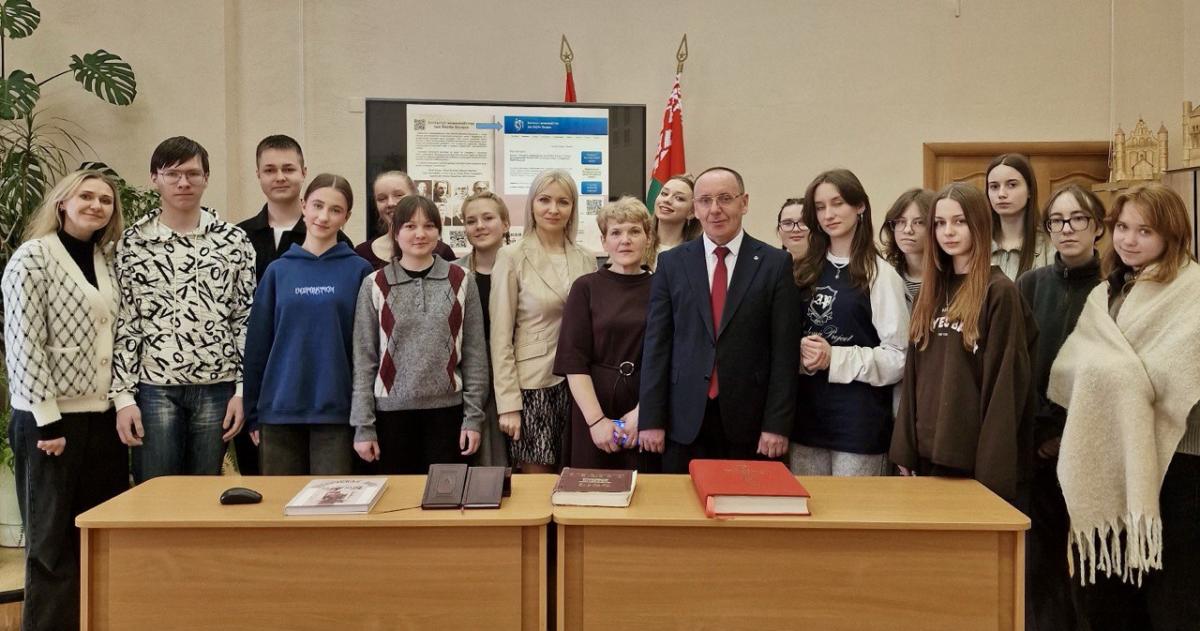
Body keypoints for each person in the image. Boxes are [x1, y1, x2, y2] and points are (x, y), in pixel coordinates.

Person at [1049, 183, 1200, 630]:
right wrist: (1119, 379)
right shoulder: (1107, 294)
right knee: (1109, 598)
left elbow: (1173, 372)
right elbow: (1072, 370)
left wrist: (1122, 378)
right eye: (1122, 228)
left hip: (1180, 464)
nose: (1128, 240)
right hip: (1108, 459)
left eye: (1144, 231)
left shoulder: (1192, 292)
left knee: (1174, 599)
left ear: (1172, 235)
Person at [2, 170, 129, 630]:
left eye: (105, 200)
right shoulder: (32, 258)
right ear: (62, 203)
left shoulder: (105, 259)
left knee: (96, 536)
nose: (96, 205)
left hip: (102, 420)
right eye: (86, 196)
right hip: (51, 423)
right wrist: (47, 421)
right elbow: (23, 343)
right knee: (50, 542)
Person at [111, 136, 256, 483]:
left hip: (217, 386)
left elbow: (244, 318)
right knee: (154, 492)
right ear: (154, 178)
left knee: (205, 494)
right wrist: (123, 398)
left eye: (192, 174)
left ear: (206, 178)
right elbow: (126, 321)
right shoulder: (133, 243)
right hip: (154, 387)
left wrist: (242, 390)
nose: (183, 182)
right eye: (172, 174)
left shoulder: (233, 241)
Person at [638, 166, 801, 473]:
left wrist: (777, 424)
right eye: (705, 200)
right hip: (682, 421)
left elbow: (785, 353)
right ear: (695, 208)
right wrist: (651, 419)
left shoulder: (775, 264)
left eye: (725, 198)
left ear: (744, 202)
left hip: (750, 425)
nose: (715, 209)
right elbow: (657, 345)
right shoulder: (672, 263)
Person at [889, 182, 1036, 503]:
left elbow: (1004, 388)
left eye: (959, 221)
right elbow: (914, 376)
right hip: (927, 453)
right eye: (940, 223)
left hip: (972, 459)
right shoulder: (932, 290)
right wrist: (904, 449)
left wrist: (992, 473)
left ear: (979, 224)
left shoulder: (1000, 292)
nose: (948, 232)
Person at [1015, 184, 1105, 631]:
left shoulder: (1114, 286)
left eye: (1078, 219)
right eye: (1056, 221)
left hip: (1094, 447)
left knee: (1094, 567)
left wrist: (1068, 434)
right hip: (1037, 447)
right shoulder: (1030, 285)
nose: (1066, 229)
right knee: (1039, 567)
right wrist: (1042, 436)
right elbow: (1018, 365)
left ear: (1098, 227)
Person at [242, 174, 372, 475]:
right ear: (303, 205)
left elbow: (366, 351)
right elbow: (258, 345)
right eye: (317, 205)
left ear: (346, 217)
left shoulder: (360, 271)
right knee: (280, 502)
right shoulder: (277, 271)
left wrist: (365, 416)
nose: (323, 217)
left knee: (333, 502)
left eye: (335, 210)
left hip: (337, 413)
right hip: (279, 411)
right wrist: (253, 411)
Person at [350, 195, 487, 474]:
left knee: (445, 498)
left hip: (449, 415)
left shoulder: (462, 280)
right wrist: (364, 427)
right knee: (398, 499)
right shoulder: (374, 284)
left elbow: (475, 357)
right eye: (410, 226)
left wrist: (473, 419)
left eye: (429, 226)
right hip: (390, 417)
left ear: (439, 231)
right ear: (396, 233)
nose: (420, 234)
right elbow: (364, 362)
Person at [789, 170, 908, 477]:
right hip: (804, 422)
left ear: (860, 206)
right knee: (807, 507)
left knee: (854, 508)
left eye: (838, 203)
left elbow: (899, 357)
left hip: (858, 425)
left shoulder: (881, 274)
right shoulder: (801, 271)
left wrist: (834, 357)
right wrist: (799, 351)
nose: (828, 214)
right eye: (820, 207)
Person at [491, 170, 597, 473]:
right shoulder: (511, 256)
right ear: (532, 204)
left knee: (577, 477)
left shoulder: (587, 258)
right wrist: (508, 404)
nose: (553, 209)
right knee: (537, 483)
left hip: (580, 384)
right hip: (533, 385)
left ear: (573, 208)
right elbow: (500, 337)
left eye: (563, 202)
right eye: (544, 200)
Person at [555, 197, 658, 470]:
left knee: (645, 490)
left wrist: (643, 414)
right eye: (616, 233)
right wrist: (597, 421)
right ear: (603, 241)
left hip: (646, 407)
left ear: (648, 238)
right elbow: (573, 361)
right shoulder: (585, 287)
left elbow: (671, 358)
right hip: (593, 406)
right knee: (590, 488)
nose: (625, 240)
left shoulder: (663, 287)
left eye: (634, 231)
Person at [454, 191, 512, 467]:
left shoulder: (522, 268)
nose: (479, 226)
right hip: (473, 383)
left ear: (506, 224)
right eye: (471, 221)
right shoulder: (454, 274)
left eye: (488, 218)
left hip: (516, 378)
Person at [354, 170, 454, 268]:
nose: (390, 203)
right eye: (382, 198)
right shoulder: (362, 254)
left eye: (398, 195)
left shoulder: (442, 252)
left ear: (415, 196)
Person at [987, 154, 1052, 280]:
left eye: (1012, 185)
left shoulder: (1050, 245)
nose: (1001, 194)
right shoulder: (977, 244)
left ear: (1029, 190)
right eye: (994, 187)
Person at [879, 188, 935, 308]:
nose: (907, 230)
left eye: (919, 222)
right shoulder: (886, 275)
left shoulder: (951, 277)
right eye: (900, 221)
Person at [650, 174, 701, 260]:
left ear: (691, 212)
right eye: (664, 194)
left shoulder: (698, 253)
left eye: (679, 198)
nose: (667, 200)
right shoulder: (637, 244)